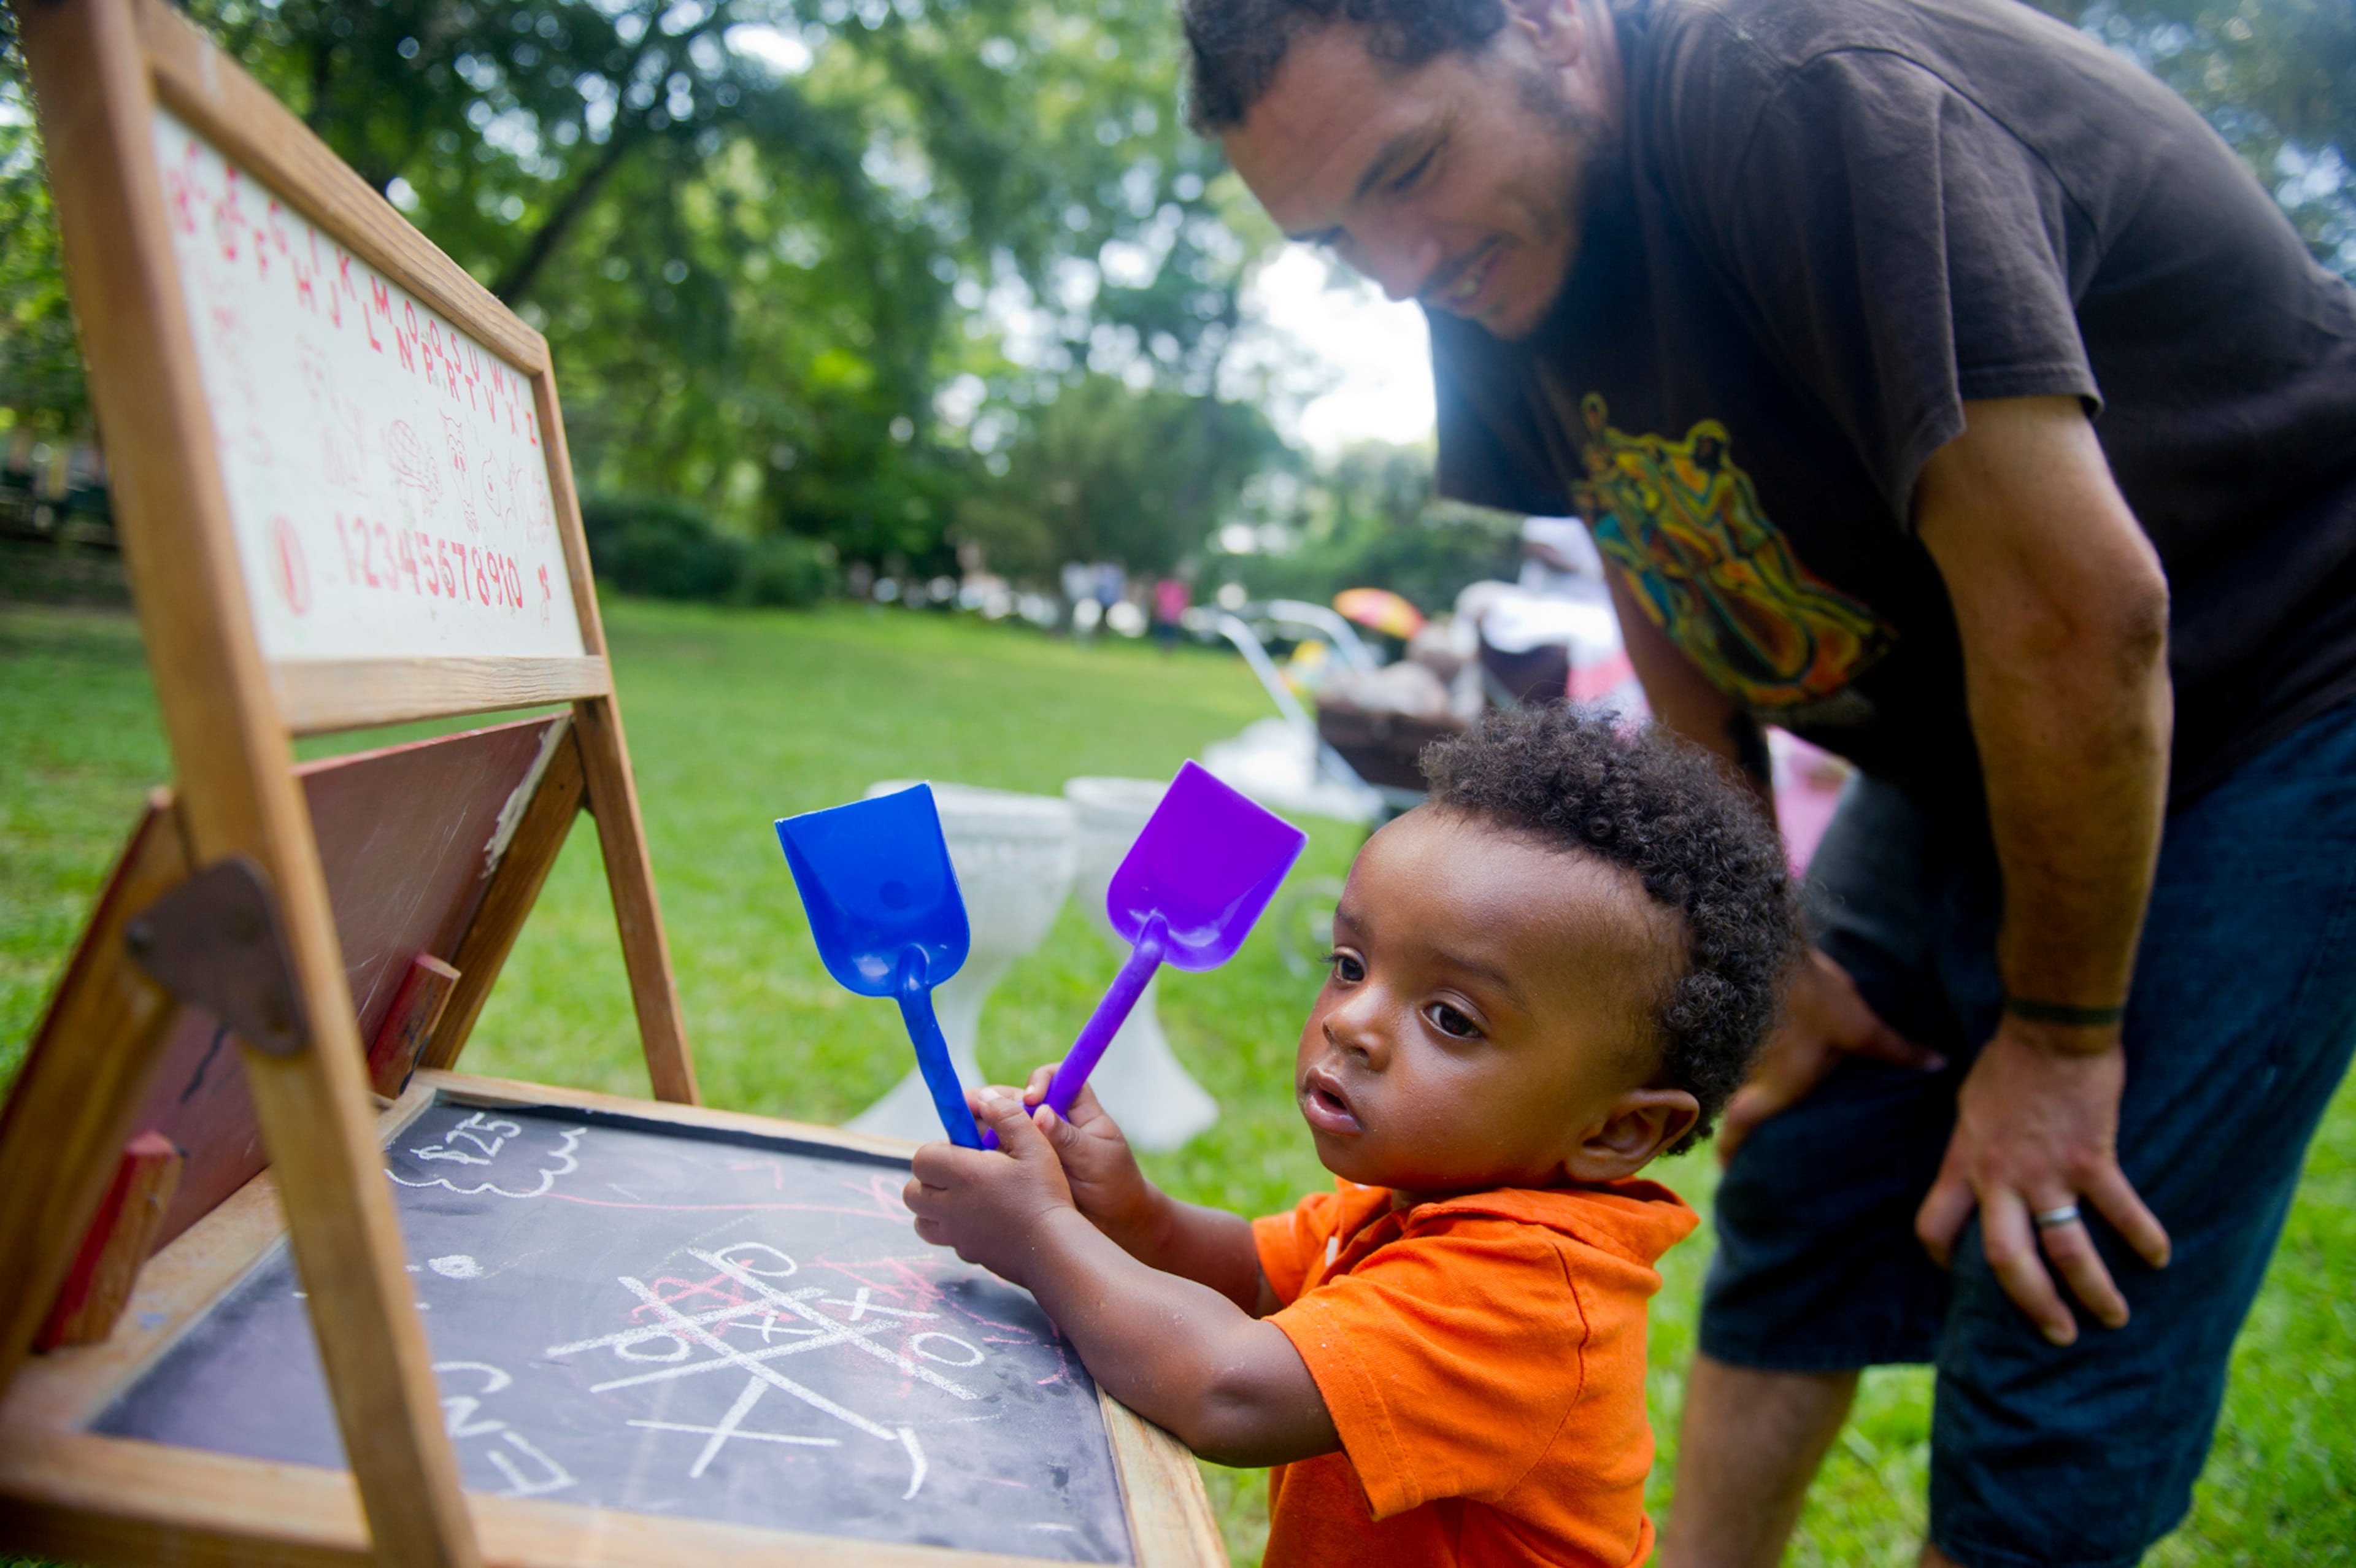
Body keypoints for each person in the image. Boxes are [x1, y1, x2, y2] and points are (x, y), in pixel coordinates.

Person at [1177, 0, 2356, 1563]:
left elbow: (2083, 611)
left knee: (2051, 1256)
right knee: (1800, 1147)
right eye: (1336, 238)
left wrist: (2062, 1040)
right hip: (1976, 720)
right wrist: (1761, 943)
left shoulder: (1809, 101)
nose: (1397, 266)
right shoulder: (1492, 239)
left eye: (1411, 167)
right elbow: (1654, 564)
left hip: (2282, 685)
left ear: (1543, 21)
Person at [906, 708, 1801, 1567]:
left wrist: (1038, 1235)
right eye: (1350, 967)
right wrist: (1127, 1209)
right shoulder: (1428, 1195)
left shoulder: (1529, 1301)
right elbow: (1254, 1278)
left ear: (1620, 1129)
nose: (1354, 1024)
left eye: (1451, 1018)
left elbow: (1229, 1390)